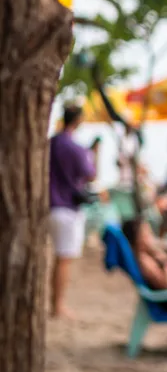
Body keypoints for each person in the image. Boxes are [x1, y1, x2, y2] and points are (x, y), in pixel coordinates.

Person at [48, 103, 99, 319]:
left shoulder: (50, 143)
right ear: (78, 120)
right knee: (64, 260)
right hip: (67, 209)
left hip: (48, 206)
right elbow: (91, 174)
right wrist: (95, 153)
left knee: (57, 259)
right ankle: (57, 305)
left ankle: (55, 303)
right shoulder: (76, 149)